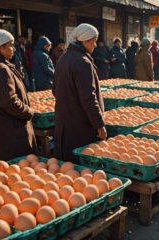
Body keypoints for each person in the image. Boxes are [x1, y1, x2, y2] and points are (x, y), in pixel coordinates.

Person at [0, 29, 35, 165]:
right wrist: (29, 112)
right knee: (16, 172)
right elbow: (9, 102)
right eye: (10, 45)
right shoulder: (0, 69)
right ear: (0, 47)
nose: (14, 49)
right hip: (9, 132)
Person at [53, 23, 106, 163]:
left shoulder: (63, 59)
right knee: (78, 167)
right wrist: (99, 125)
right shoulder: (83, 62)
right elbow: (89, 98)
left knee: (65, 164)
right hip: (79, 125)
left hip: (64, 121)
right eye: (93, 42)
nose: (95, 46)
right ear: (85, 41)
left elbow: (54, 90)